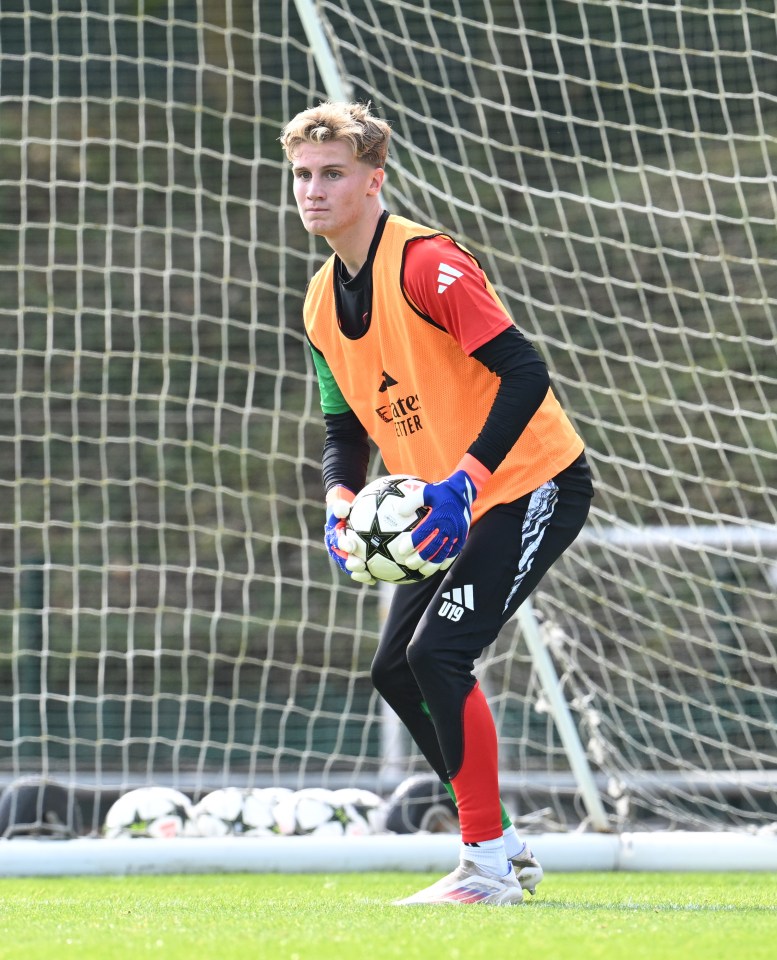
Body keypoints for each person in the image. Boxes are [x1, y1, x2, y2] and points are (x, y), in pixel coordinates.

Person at [280, 101, 593, 906]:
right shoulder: (319, 303)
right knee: (396, 669)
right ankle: (503, 845)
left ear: (373, 179)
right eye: (302, 175)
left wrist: (464, 480)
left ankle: (485, 864)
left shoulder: (427, 263)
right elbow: (341, 428)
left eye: (333, 174)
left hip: (529, 483)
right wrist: (339, 496)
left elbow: (526, 373)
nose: (312, 191)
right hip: (440, 507)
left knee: (438, 656)